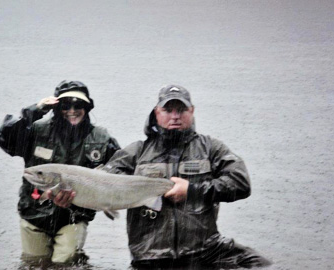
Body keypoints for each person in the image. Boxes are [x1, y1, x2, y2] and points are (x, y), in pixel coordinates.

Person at [100, 85, 271, 269]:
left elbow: (241, 183)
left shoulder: (211, 148)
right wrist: (71, 197)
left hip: (205, 251)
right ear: (157, 112)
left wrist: (192, 191)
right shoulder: (136, 152)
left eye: (181, 110)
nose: (175, 116)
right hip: (150, 256)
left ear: (192, 111)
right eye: (168, 110)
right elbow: (102, 184)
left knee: (259, 263)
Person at [0, 80, 120, 265]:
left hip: (74, 217)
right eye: (66, 105)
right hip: (34, 215)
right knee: (34, 263)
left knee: (65, 262)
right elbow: (2, 137)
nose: (72, 110)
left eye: (78, 105)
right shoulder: (36, 130)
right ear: (56, 107)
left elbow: (121, 167)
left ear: (87, 107)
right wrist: (34, 110)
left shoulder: (101, 138)